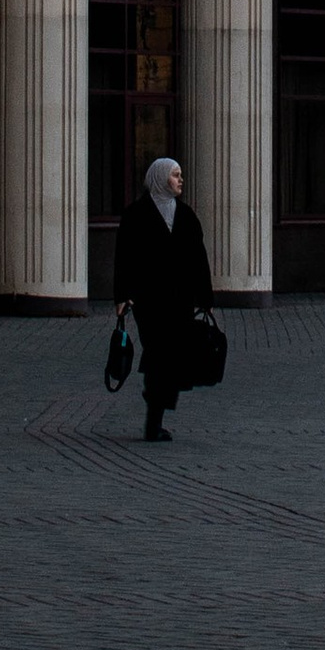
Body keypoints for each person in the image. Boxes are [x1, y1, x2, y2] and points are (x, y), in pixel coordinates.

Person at [110, 153, 213, 444]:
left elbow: (198, 258)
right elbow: (124, 257)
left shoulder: (186, 215)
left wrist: (204, 297)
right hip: (149, 301)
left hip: (179, 301)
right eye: (175, 174)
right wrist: (122, 295)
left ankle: (155, 413)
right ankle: (153, 420)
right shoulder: (136, 215)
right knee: (159, 354)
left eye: (180, 175)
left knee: (169, 359)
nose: (180, 180)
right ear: (159, 178)